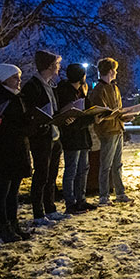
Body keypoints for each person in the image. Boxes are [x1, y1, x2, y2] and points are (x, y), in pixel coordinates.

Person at [0, 64, 33, 243]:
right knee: (3, 190)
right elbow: (1, 124)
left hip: (19, 146)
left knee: (14, 190)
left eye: (19, 77)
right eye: (15, 77)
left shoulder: (17, 97)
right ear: (4, 79)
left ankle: (14, 223)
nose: (19, 81)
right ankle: (4, 226)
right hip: (4, 149)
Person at [21, 50, 65, 223]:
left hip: (54, 136)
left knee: (52, 174)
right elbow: (30, 111)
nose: (59, 68)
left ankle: (50, 207)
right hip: (41, 137)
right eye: (57, 64)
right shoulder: (33, 86)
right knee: (41, 174)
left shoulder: (50, 85)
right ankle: (38, 212)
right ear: (49, 66)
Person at [88, 57, 132, 205]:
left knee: (117, 164)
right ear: (111, 71)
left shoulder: (114, 87)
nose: (116, 73)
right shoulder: (99, 90)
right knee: (106, 164)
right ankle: (104, 195)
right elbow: (100, 112)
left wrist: (124, 116)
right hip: (108, 131)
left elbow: (117, 109)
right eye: (115, 70)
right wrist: (113, 115)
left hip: (118, 128)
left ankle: (120, 192)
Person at [56, 63, 96, 214]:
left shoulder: (81, 91)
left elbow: (89, 109)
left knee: (83, 169)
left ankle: (81, 199)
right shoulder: (65, 92)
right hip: (72, 137)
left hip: (82, 136)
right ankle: (70, 202)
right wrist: (87, 119)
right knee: (71, 170)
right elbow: (69, 118)